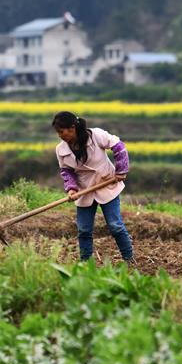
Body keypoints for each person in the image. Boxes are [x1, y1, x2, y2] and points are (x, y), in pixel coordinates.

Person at [52, 111, 135, 264]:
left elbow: (118, 146)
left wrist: (121, 170)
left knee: (115, 226)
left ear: (72, 128)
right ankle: (85, 263)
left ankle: (129, 259)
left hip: (106, 183)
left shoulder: (96, 135)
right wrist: (71, 188)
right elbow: (66, 171)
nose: (60, 135)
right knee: (84, 230)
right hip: (84, 190)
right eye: (58, 132)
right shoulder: (61, 150)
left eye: (61, 131)